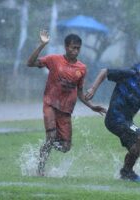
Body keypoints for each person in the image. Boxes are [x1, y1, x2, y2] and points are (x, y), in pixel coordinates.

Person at [26, 30, 106, 176]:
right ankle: (40, 168)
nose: (75, 51)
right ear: (65, 47)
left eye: (78, 48)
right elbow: (30, 63)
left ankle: (47, 145)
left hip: (66, 110)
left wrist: (92, 106)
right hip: (50, 104)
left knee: (65, 147)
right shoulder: (53, 59)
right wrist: (42, 45)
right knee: (50, 137)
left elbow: (80, 92)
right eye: (73, 47)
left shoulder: (82, 68)